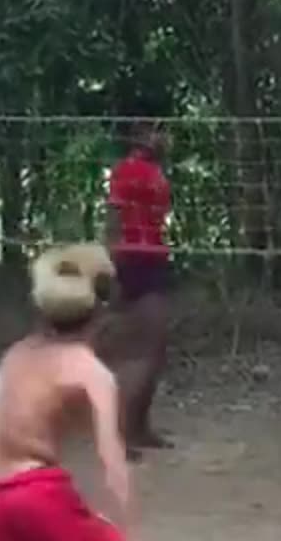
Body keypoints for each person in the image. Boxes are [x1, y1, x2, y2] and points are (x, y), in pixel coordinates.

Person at [0, 243, 132, 541]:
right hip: (36, 494)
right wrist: (121, 527)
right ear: (102, 313)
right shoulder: (91, 371)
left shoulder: (14, 354)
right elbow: (112, 459)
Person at [104, 119, 173, 458]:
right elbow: (113, 218)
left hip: (153, 256)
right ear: (141, 133)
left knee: (155, 349)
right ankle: (122, 434)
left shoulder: (152, 170)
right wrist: (113, 265)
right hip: (135, 258)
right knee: (145, 349)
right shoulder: (129, 169)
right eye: (160, 129)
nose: (166, 136)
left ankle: (139, 427)